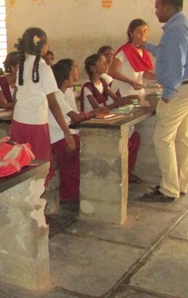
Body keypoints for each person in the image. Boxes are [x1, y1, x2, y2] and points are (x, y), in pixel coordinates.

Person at [142, 0, 188, 202]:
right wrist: (146, 46)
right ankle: (181, 183)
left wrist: (168, 94)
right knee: (184, 135)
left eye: (157, 7)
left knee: (162, 138)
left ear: (168, 7)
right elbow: (167, 52)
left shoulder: (175, 30)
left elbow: (175, 64)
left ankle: (169, 189)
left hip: (180, 88)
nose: (155, 12)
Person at [11, 28, 76, 187]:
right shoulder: (45, 69)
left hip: (19, 122)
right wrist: (67, 132)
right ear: (44, 46)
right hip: (36, 124)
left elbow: (16, 97)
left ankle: (27, 197)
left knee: (22, 163)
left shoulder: (22, 67)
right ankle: (35, 198)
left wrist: (11, 122)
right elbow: (53, 103)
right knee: (39, 166)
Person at [80, 53, 142, 183]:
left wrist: (131, 98)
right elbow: (97, 110)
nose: (106, 64)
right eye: (102, 62)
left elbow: (116, 99)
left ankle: (128, 171)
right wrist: (117, 104)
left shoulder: (103, 82)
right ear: (93, 68)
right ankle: (120, 173)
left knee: (135, 137)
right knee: (125, 143)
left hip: (106, 119)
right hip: (94, 123)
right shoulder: (87, 86)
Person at [48, 61, 102, 203]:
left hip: (66, 133)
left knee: (76, 163)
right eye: (75, 69)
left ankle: (72, 195)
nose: (78, 72)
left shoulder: (65, 93)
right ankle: (70, 197)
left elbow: (74, 115)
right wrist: (93, 113)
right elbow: (76, 117)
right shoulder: (56, 95)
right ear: (66, 79)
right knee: (72, 167)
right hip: (58, 137)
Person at [109, 19, 156, 99]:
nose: (143, 34)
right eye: (139, 32)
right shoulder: (125, 51)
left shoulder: (143, 51)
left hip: (137, 92)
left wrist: (159, 77)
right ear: (131, 33)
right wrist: (131, 82)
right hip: (122, 92)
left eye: (145, 31)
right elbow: (111, 71)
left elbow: (143, 73)